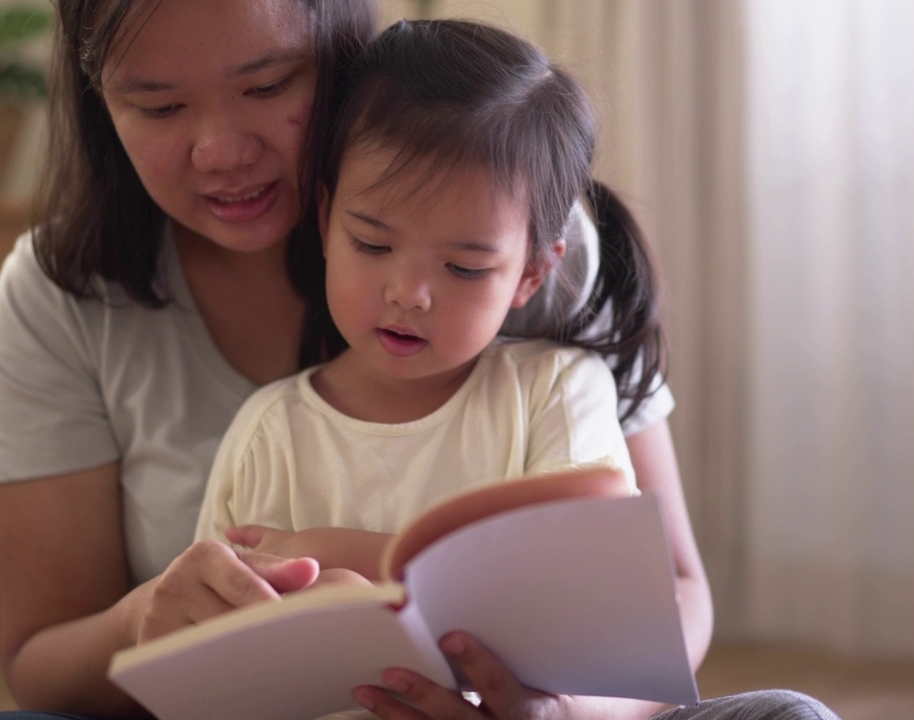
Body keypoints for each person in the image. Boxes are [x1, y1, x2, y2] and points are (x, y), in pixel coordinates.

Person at [0, 1, 842, 719]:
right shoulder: (75, 307)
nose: (220, 149)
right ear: (98, 103)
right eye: (156, 105)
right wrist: (146, 620)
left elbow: (666, 593)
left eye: (266, 84)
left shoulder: (521, 234)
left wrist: (568, 710)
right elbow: (44, 668)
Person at [192, 20, 640, 592]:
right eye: (373, 245)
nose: (408, 293)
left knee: (777, 692)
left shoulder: (556, 391)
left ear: (531, 272)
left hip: (525, 688)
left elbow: (590, 576)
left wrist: (336, 552)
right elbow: (203, 631)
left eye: (464, 268)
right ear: (327, 222)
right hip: (313, 686)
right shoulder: (269, 434)